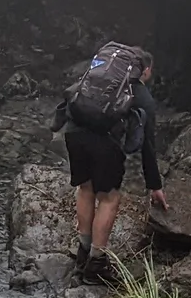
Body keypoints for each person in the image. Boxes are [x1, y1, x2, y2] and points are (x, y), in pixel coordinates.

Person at [52, 41, 168, 265]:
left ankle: (83, 251)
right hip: (104, 142)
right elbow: (147, 145)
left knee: (85, 188)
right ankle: (97, 264)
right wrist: (154, 185)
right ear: (145, 70)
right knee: (109, 198)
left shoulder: (100, 74)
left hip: (74, 131)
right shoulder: (142, 96)